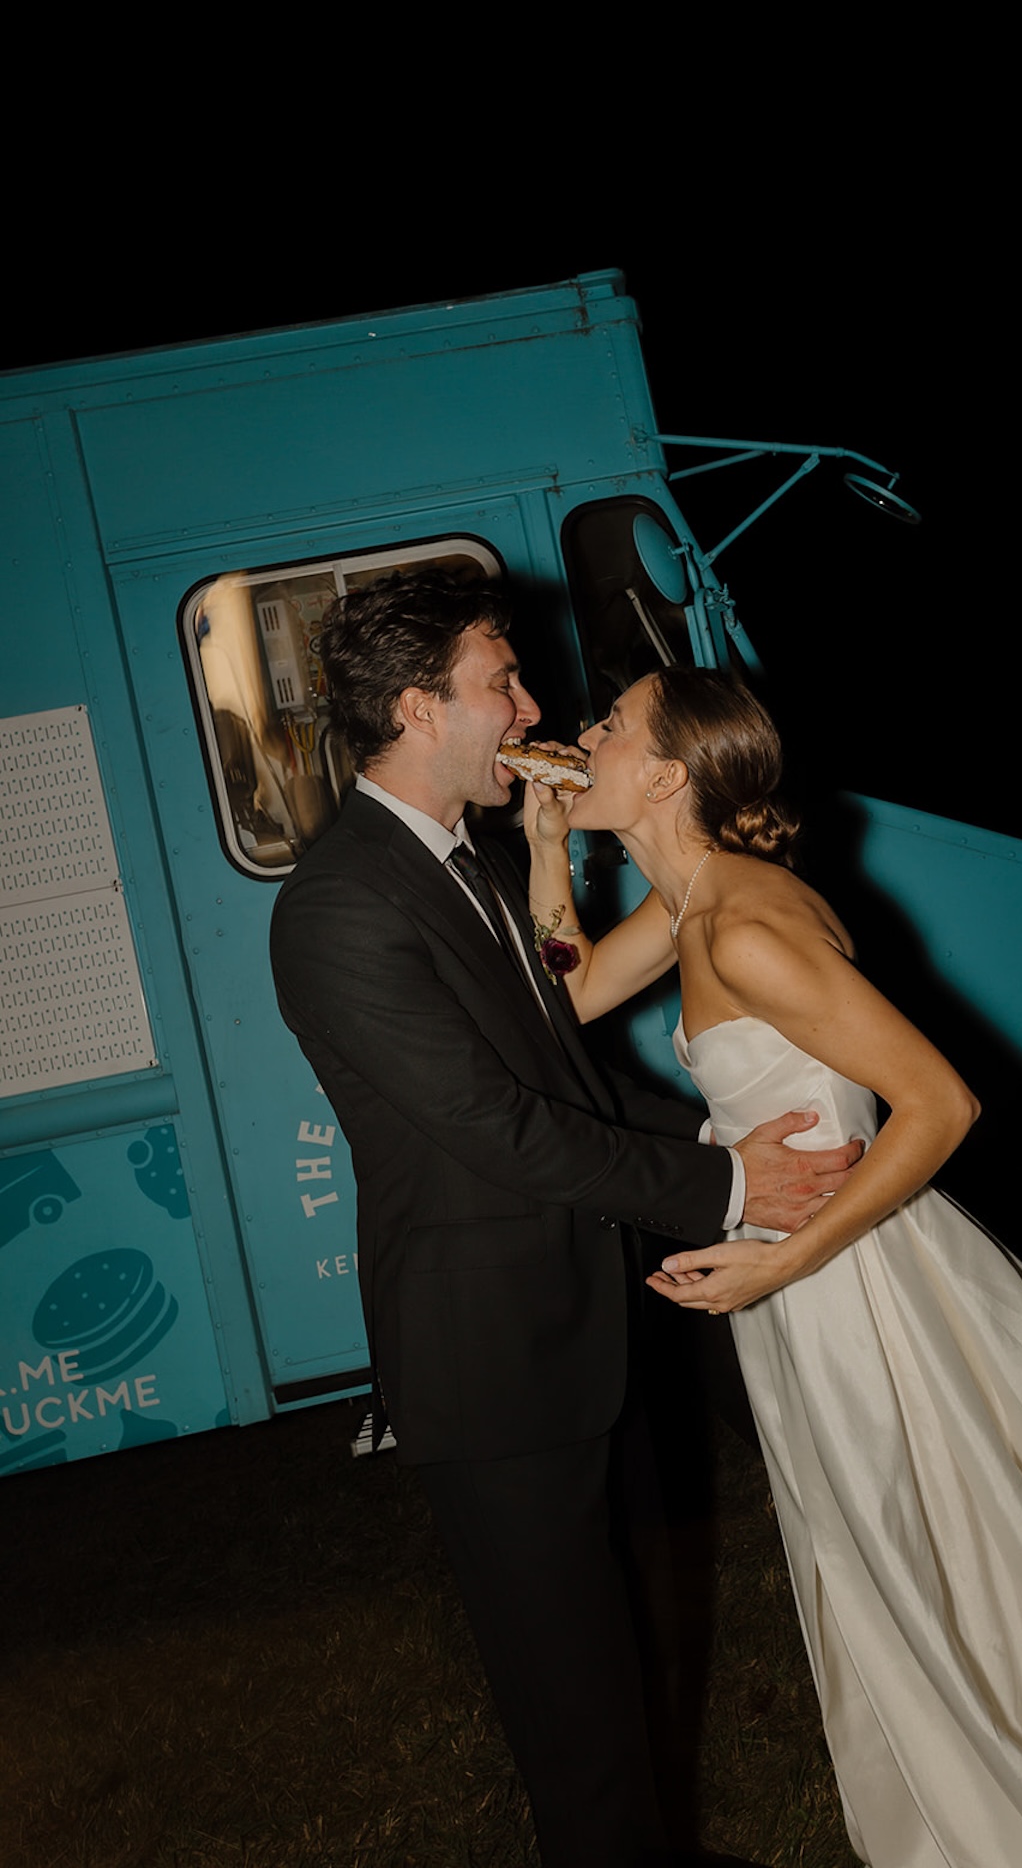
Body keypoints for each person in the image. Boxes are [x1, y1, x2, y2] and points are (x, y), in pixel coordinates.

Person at [523, 663, 1022, 1868]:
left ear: (665, 775)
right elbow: (558, 1000)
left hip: (851, 1281)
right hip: (807, 1274)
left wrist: (778, 1269)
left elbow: (940, 1102)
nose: (582, 733)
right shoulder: (690, 902)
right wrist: (545, 842)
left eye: (608, 726)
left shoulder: (744, 925)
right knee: (896, 1544)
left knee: (928, 1553)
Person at [268, 576, 862, 1868]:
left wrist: (717, 1145)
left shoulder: (465, 862)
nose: (534, 712)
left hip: (577, 1335)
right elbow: (498, 1128)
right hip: (490, 1367)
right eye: (504, 686)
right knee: (573, 1721)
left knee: (626, 1659)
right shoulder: (337, 905)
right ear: (424, 711)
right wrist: (727, 1189)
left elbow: (569, 1079)